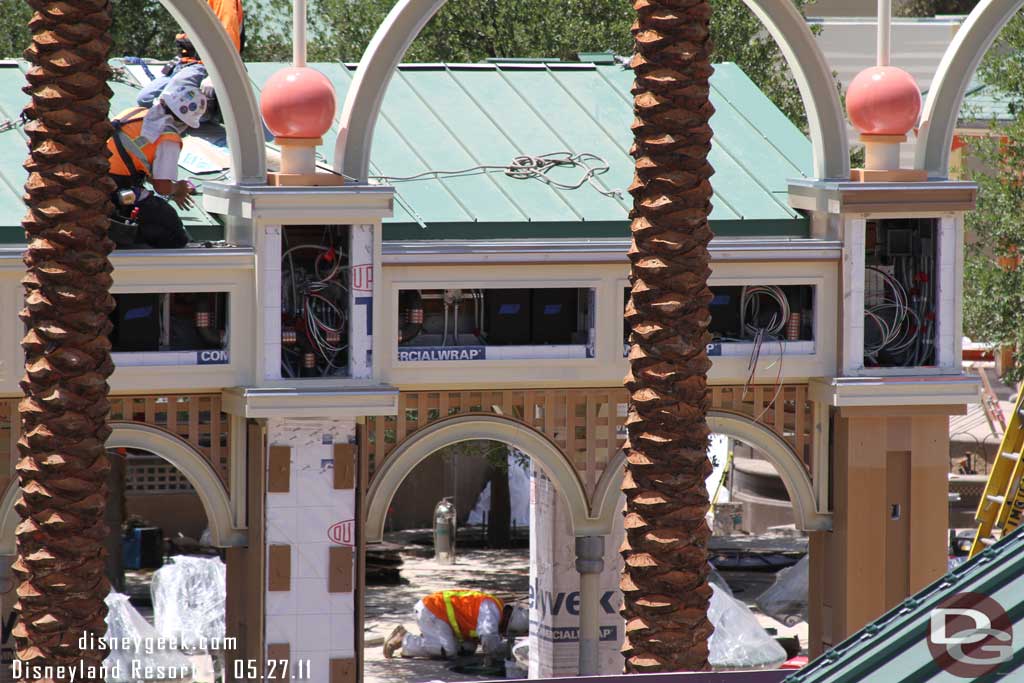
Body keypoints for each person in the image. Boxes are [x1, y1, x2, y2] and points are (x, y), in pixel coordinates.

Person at [107, 84, 207, 249]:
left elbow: (136, 156)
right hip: (115, 189)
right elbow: (162, 187)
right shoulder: (168, 137)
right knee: (167, 223)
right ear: (185, 123)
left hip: (96, 178)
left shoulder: (135, 113)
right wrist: (178, 189)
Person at [136, 0, 244, 120]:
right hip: (183, 64)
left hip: (204, 66)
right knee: (145, 99)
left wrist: (216, 76)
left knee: (169, 105)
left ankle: (202, 116)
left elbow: (228, 39)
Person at [383, 590, 520, 660]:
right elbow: (490, 642)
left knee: (467, 649)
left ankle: (430, 640)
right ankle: (406, 640)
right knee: (448, 650)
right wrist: (510, 650)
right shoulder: (491, 611)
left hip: (437, 614)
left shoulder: (495, 607)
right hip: (432, 611)